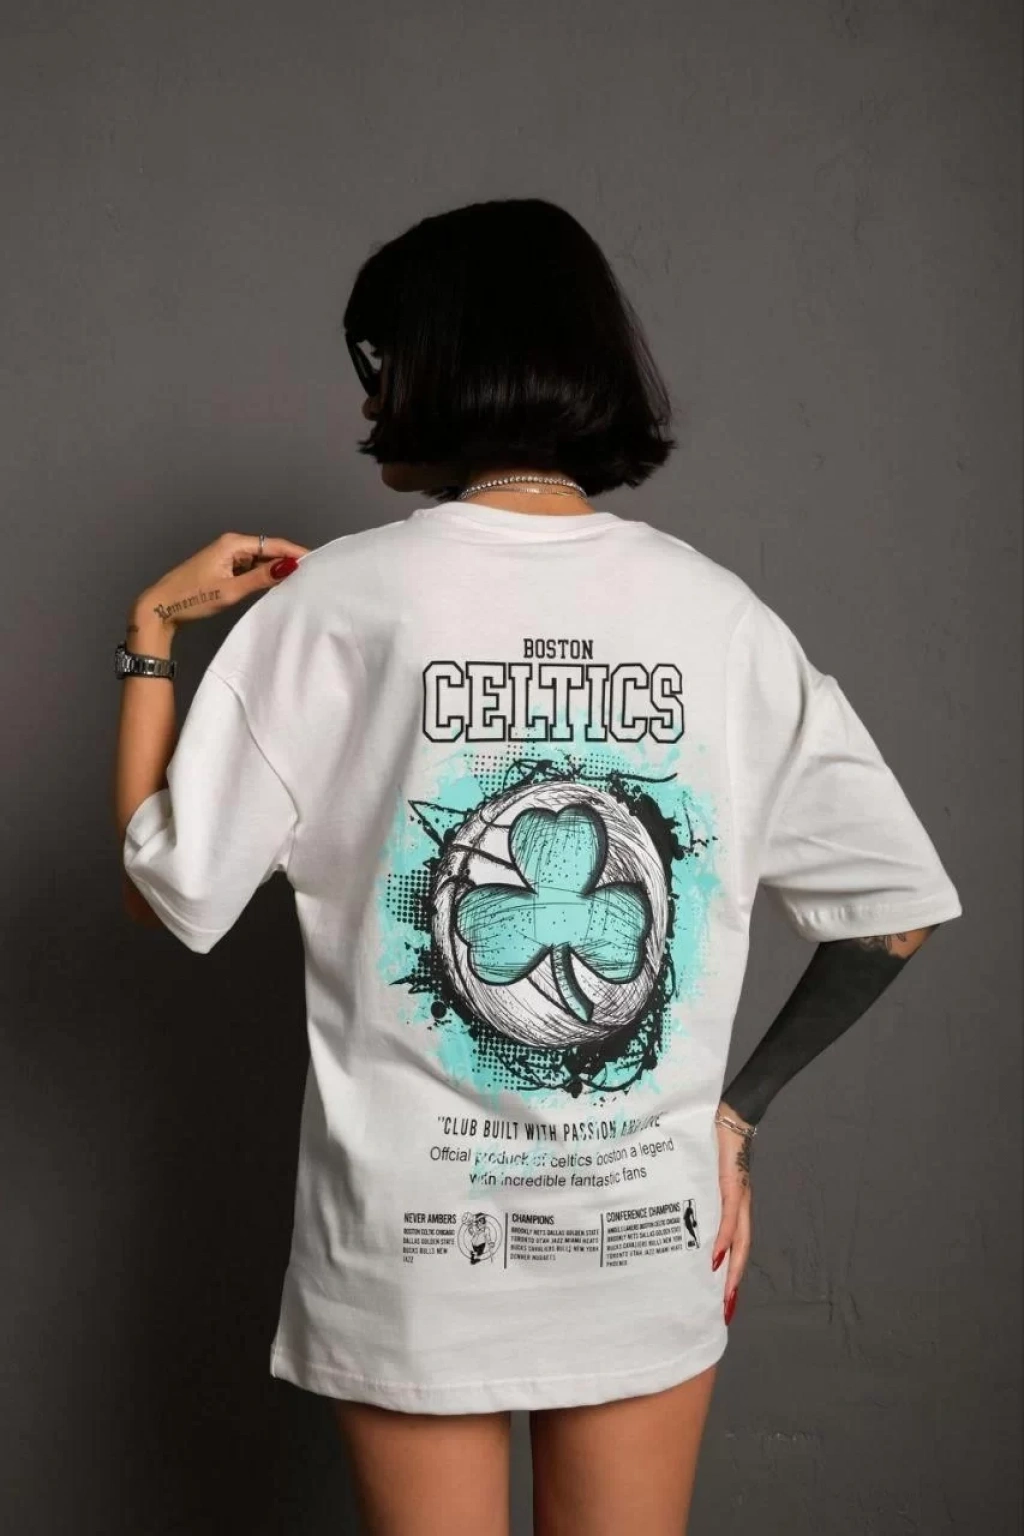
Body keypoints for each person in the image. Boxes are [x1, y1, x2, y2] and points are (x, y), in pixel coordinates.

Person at [113, 197, 963, 1536]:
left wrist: (154, 632)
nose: (366, 404)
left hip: (414, 1249)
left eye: (379, 363)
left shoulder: (335, 605)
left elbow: (165, 886)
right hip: (641, 1234)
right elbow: (893, 915)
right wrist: (733, 1121)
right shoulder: (720, 616)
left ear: (447, 362)